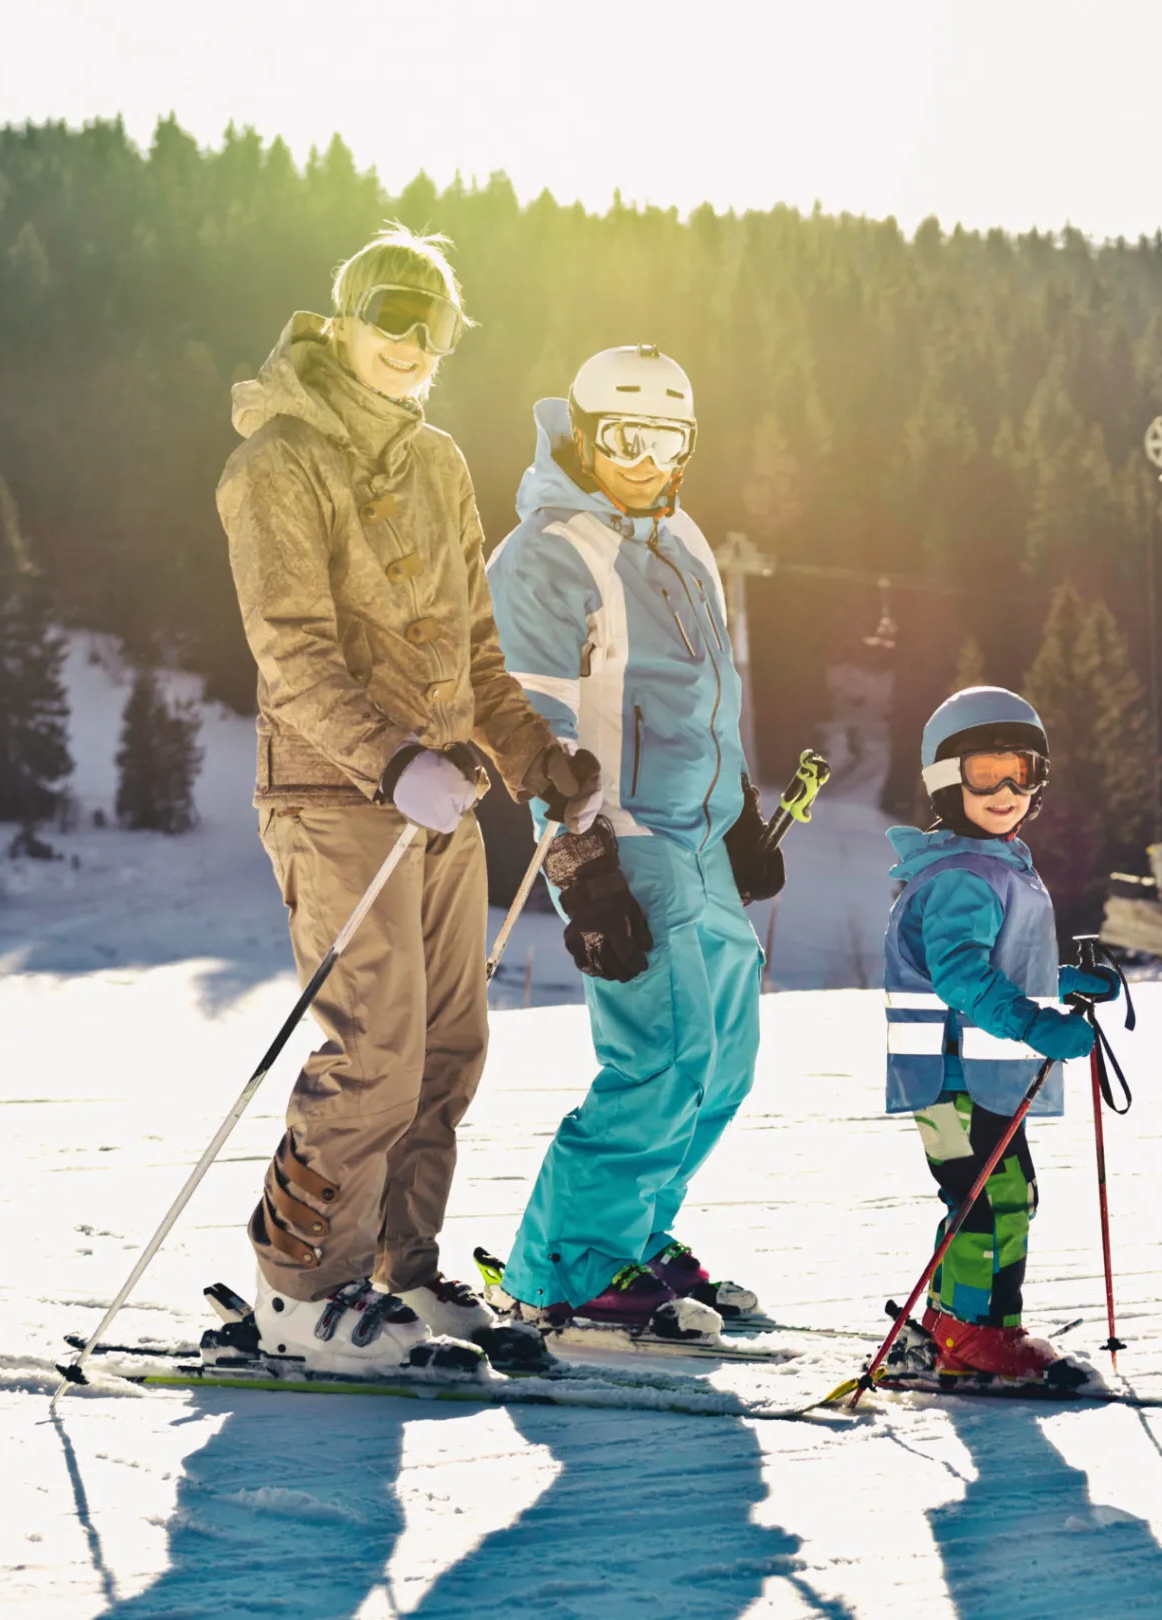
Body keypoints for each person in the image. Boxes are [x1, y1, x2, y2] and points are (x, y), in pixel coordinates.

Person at [218, 226, 602, 1372]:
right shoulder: (278, 461)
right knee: (374, 1044)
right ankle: (300, 1290)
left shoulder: (436, 462)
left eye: (428, 324)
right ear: (341, 322)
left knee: (448, 1045)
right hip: (338, 796)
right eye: (388, 314)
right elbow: (290, 651)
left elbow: (478, 654)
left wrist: (537, 759)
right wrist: (391, 763)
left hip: (441, 797)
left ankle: (398, 1270)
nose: (406, 340)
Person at [483, 344, 785, 1341]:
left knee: (726, 1059)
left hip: (699, 833)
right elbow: (537, 736)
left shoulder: (685, 538)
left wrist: (739, 812)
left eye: (669, 440)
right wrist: (585, 873)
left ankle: (637, 1232)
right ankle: (565, 1270)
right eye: (626, 439)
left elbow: (710, 696)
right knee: (662, 1056)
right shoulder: (545, 555)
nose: (648, 461)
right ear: (582, 434)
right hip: (621, 839)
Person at [881, 686, 1121, 1386]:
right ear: (947, 781)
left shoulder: (993, 863)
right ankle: (969, 1336)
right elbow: (960, 977)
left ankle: (968, 1326)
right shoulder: (961, 875)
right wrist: (1035, 1025)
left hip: (978, 1076)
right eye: (987, 773)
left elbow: (1002, 963)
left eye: (1023, 770)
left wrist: (1065, 984)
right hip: (952, 1078)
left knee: (997, 1193)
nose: (1008, 789)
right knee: (992, 1196)